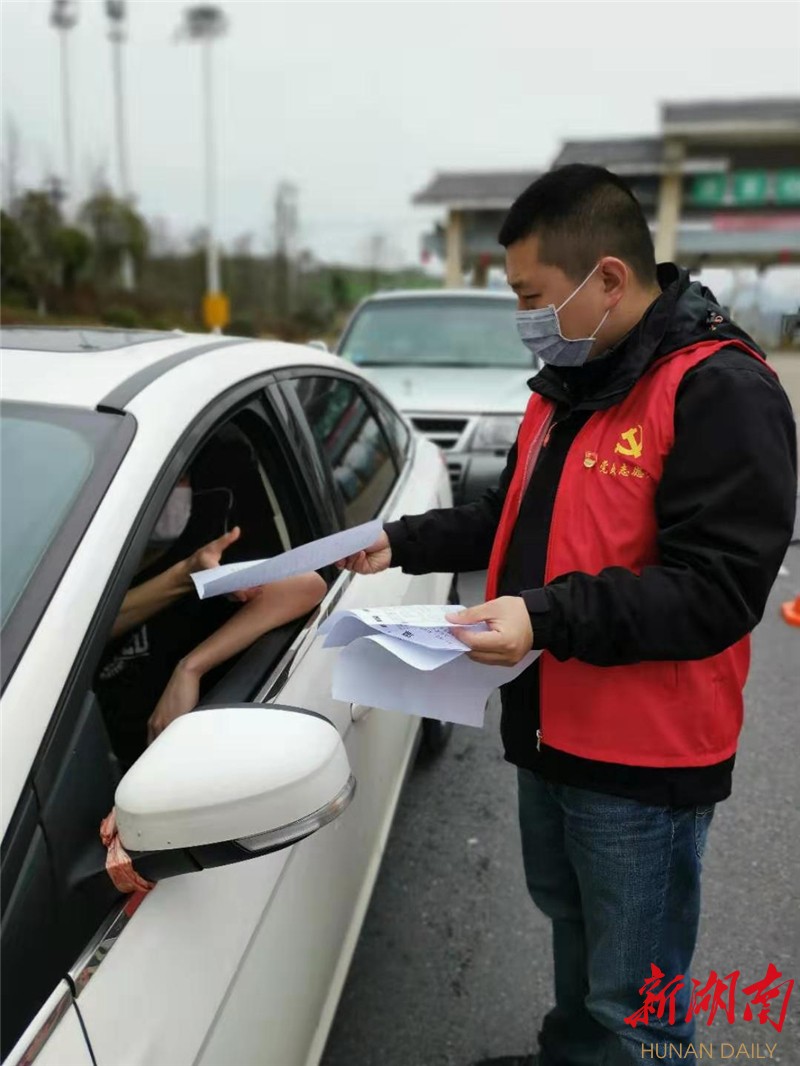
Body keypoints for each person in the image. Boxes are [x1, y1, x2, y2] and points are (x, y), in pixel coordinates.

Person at [337, 165, 797, 1065]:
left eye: (531, 297)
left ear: (610, 280)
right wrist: (403, 541)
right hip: (550, 727)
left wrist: (543, 619)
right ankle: (570, 1053)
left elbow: (718, 590)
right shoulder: (567, 382)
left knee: (638, 994)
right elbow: (513, 516)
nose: (525, 320)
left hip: (646, 760)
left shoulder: (719, 391)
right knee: (573, 924)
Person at [97, 474, 326, 767]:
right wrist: (186, 574)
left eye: (181, 479)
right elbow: (82, 635)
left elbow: (306, 585)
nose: (174, 490)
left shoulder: (216, 551)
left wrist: (190, 668)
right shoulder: (88, 578)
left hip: (185, 759)